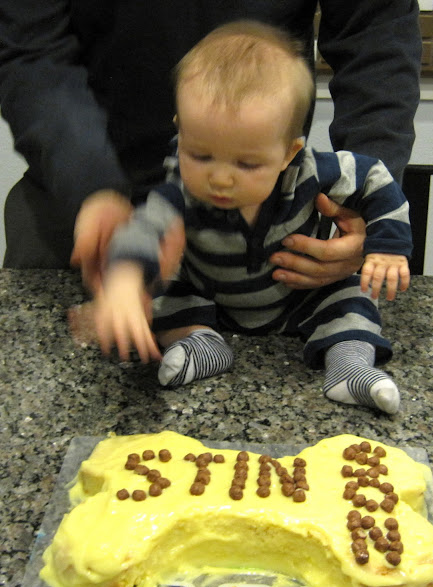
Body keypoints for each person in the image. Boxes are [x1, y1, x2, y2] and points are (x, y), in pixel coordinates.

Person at [95, 21, 412, 415]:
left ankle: (348, 366)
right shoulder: (181, 188)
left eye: (246, 164)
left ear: (288, 153)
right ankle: (201, 344)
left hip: (301, 295)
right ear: (181, 130)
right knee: (163, 291)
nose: (220, 178)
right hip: (209, 299)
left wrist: (387, 246)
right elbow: (143, 228)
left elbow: (375, 178)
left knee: (353, 296)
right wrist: (124, 281)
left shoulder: (312, 170)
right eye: (201, 155)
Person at [0, 1, 421, 290]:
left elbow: (375, 33)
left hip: (267, 225)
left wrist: (365, 206)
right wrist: (90, 184)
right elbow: (32, 53)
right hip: (77, 211)